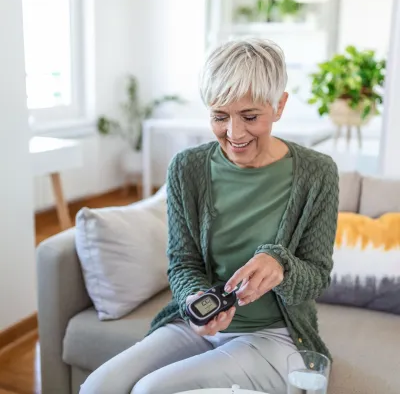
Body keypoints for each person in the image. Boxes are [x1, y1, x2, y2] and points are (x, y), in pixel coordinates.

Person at [80, 37, 339, 394]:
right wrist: (194, 303)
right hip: (200, 327)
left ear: (279, 106)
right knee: (98, 387)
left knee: (150, 390)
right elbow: (183, 262)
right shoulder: (187, 168)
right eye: (219, 116)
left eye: (250, 116)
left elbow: (318, 276)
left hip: (275, 336)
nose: (234, 133)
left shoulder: (318, 173)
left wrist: (280, 265)